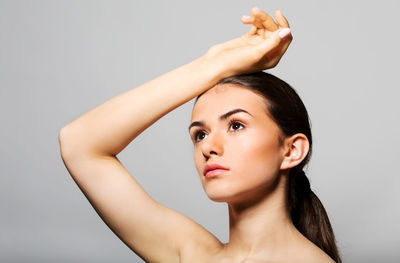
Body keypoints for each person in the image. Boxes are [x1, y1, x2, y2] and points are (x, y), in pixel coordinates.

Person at [58, 6, 341, 263]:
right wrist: (214, 63)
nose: (209, 147)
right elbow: (79, 143)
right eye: (200, 134)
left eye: (236, 125)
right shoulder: (191, 253)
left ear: (292, 151)